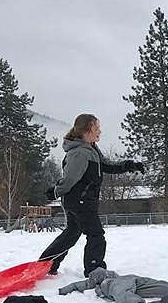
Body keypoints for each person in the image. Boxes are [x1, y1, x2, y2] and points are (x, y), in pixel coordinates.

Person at [39, 114, 143, 276]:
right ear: (86, 131)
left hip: (81, 200)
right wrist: (55, 191)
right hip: (80, 201)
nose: (99, 131)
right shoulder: (80, 152)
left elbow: (106, 165)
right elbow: (70, 179)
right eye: (96, 128)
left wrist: (128, 165)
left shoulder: (90, 148)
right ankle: (95, 270)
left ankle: (46, 264)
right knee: (95, 235)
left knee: (72, 233)